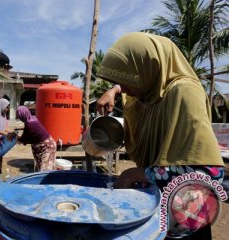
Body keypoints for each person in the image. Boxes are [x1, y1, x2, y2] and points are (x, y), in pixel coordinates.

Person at [96, 32, 224, 239]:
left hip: (185, 220)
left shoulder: (184, 93)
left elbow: (208, 173)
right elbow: (130, 90)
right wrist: (114, 89)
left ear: (149, 68)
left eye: (128, 80)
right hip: (158, 213)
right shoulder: (149, 96)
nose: (126, 90)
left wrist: (135, 174)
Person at [16, 106, 57, 171]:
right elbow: (31, 131)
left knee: (44, 172)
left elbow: (22, 140)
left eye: (19, 116)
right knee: (42, 169)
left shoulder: (29, 125)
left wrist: (15, 137)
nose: (19, 118)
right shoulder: (33, 119)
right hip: (48, 144)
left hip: (47, 148)